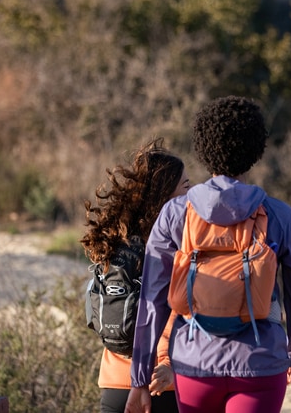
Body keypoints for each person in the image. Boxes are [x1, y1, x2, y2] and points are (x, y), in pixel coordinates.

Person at [125, 96, 291, 413]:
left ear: (202, 148)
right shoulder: (278, 215)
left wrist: (139, 377)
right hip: (261, 363)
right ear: (257, 149)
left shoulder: (176, 214)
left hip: (193, 364)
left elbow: (151, 301)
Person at [81, 138, 191, 413]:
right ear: (165, 194)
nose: (192, 196)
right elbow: (178, 310)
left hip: (115, 383)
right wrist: (171, 364)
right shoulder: (174, 244)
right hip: (162, 381)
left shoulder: (118, 242)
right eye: (186, 187)